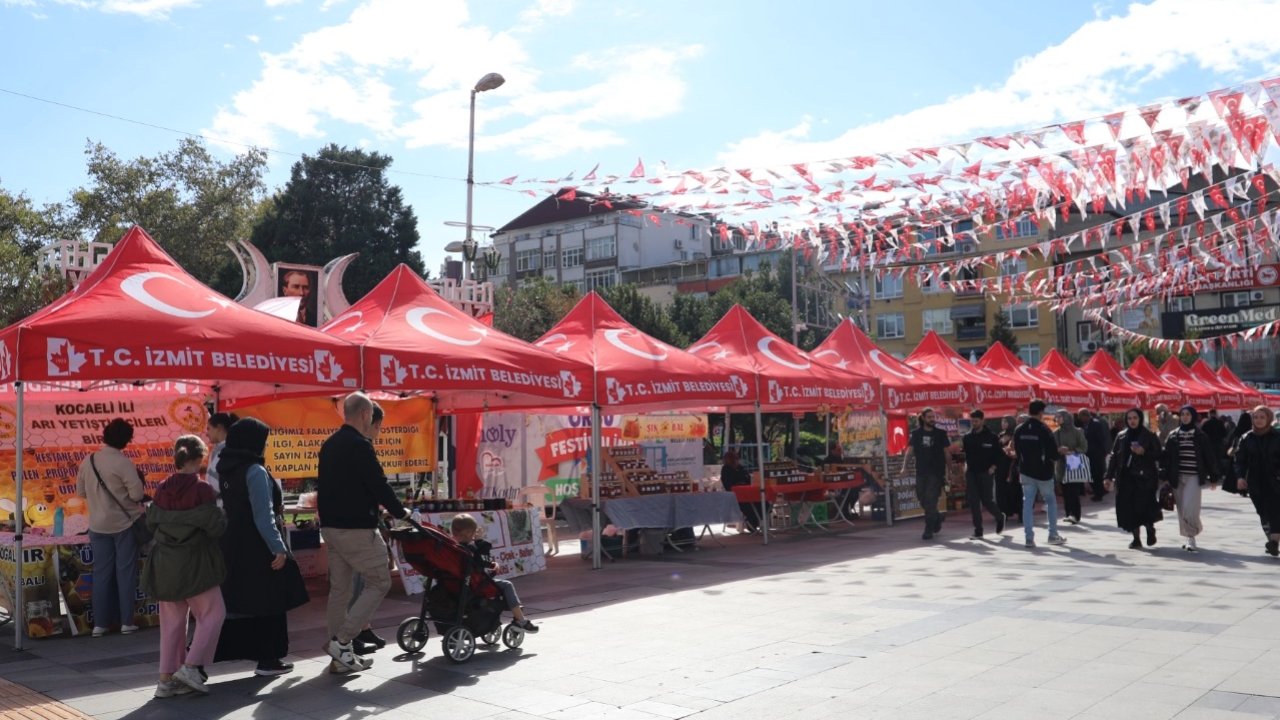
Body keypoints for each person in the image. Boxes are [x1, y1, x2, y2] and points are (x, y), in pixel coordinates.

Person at [318, 393, 411, 674]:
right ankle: (342, 640)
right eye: (371, 417)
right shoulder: (360, 445)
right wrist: (401, 512)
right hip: (356, 528)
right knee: (379, 581)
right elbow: (378, 485)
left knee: (340, 590)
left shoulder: (330, 443)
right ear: (364, 415)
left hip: (332, 527)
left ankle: (340, 657)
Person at [214, 418, 307, 676]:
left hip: (233, 542)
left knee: (244, 600)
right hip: (258, 544)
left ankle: (249, 653)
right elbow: (263, 515)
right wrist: (279, 548)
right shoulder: (254, 470)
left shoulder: (225, 466)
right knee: (270, 600)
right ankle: (269, 658)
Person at [142, 436, 226, 699]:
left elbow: (152, 525)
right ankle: (191, 667)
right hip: (197, 563)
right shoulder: (203, 491)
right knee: (213, 613)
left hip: (165, 564)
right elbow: (216, 527)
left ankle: (165, 680)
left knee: (171, 623)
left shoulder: (162, 488)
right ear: (200, 459)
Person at [75, 418, 145, 638]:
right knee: (126, 574)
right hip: (124, 525)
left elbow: (82, 493)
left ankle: (100, 625)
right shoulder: (124, 463)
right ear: (126, 440)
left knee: (101, 574)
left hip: (97, 526)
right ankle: (126, 622)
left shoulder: (89, 460)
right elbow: (137, 495)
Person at [450, 514, 539, 632]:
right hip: (474, 585)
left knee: (500, 585)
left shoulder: (451, 546)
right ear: (469, 533)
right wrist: (480, 541)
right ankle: (520, 619)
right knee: (507, 585)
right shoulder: (470, 549)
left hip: (455, 583)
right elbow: (483, 561)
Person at [1162, 406, 1219, 552]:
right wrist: (1164, 475)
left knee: (1190, 508)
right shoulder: (1173, 435)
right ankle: (1190, 536)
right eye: (1182, 414)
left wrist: (1213, 476)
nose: (1185, 417)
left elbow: (1209, 456)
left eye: (1188, 414)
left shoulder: (1200, 435)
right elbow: (1166, 457)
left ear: (1193, 416)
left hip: (1194, 475)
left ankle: (1192, 535)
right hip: (1177, 476)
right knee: (1181, 508)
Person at [1105, 408, 1164, 550]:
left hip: (1144, 479)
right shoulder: (1121, 436)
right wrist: (1108, 476)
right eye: (1130, 418)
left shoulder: (1149, 435)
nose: (1132, 421)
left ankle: (1150, 529)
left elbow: (1159, 454)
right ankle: (1136, 538)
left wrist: (1144, 452)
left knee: (1144, 508)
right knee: (1129, 510)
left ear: (1140, 419)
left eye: (1135, 418)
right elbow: (1114, 457)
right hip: (1125, 478)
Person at [1013, 400, 1064, 548]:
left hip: (1026, 471)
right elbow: (1053, 454)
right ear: (1041, 412)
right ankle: (1052, 534)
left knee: (1027, 503)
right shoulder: (1044, 429)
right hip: (1043, 473)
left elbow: (1017, 451)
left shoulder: (1019, 429)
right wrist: (1060, 452)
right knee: (1051, 501)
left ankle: (1029, 538)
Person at [1233, 405, 1280, 557]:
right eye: (1256, 417)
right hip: (1254, 480)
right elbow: (1239, 459)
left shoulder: (1277, 436)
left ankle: (1273, 541)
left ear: (1269, 418)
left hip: (1275, 479)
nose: (1259, 420)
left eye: (1262, 417)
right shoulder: (1246, 438)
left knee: (1274, 509)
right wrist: (1240, 477)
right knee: (1262, 510)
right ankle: (1272, 539)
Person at [902, 407, 950, 540]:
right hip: (921, 471)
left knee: (930, 499)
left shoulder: (941, 434)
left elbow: (947, 452)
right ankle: (937, 516)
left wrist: (949, 471)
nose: (932, 419)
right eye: (929, 417)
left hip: (936, 472)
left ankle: (928, 529)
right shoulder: (916, 434)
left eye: (933, 417)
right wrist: (904, 467)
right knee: (922, 498)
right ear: (923, 418)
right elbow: (910, 451)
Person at [962, 410, 1005, 539]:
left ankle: (999, 516)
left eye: (976, 421)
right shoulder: (967, 437)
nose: (974, 423)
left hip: (986, 472)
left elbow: (1000, 456)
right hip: (971, 473)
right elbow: (966, 455)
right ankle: (978, 530)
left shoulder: (992, 437)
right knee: (973, 501)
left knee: (987, 500)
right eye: (972, 421)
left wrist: (993, 467)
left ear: (982, 420)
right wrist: (965, 467)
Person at [1053, 410, 1088, 525]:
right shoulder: (1056, 433)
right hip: (1061, 464)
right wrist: (1058, 450)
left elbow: (1083, 447)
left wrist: (1071, 451)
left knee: (1073, 490)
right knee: (1065, 491)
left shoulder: (1077, 432)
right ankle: (1068, 513)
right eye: (1056, 417)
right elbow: (1052, 448)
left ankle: (1075, 515)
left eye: (1059, 417)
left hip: (1074, 462)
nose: (1057, 419)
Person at [720, 450, 763, 533]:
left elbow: (747, 479)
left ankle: (757, 521)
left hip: (747, 493)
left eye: (737, 458)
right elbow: (729, 484)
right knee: (748, 504)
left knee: (760, 501)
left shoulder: (740, 468)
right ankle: (752, 523)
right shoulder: (726, 470)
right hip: (734, 496)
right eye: (735, 459)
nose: (737, 460)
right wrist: (739, 482)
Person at [205, 412, 239, 505]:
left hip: (223, 505)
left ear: (219, 428)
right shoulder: (223, 448)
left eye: (209, 428)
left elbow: (215, 484)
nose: (206, 433)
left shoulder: (224, 451)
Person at [1079, 409, 1112, 502]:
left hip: (1096, 453)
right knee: (1091, 474)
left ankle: (1099, 493)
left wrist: (1103, 451)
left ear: (1086, 416)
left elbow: (1101, 438)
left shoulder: (1096, 424)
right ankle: (1100, 491)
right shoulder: (1084, 425)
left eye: (1081, 417)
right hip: (1088, 453)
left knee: (1097, 474)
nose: (1080, 419)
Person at [995, 432, 1023, 522]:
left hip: (1015, 468)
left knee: (1018, 491)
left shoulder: (1016, 434)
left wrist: (1011, 452)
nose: (1003, 424)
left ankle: (1021, 513)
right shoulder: (1000, 436)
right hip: (1002, 468)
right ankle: (1004, 512)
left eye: (1006, 422)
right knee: (1002, 492)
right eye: (1003, 421)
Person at [1223, 411, 1252, 495]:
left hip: (1236, 453)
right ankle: (1246, 488)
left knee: (1237, 471)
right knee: (1247, 471)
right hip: (1248, 454)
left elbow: (1229, 440)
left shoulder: (1237, 429)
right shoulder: (1250, 430)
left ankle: (1240, 489)